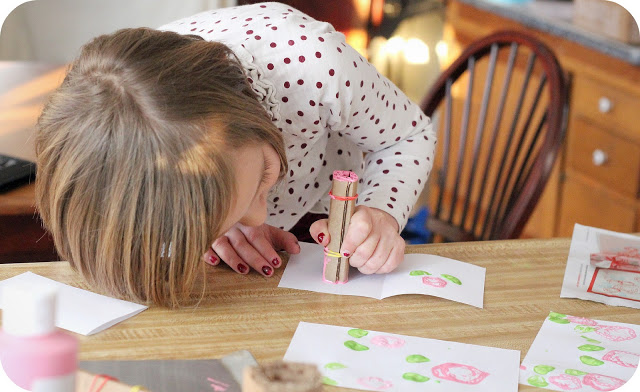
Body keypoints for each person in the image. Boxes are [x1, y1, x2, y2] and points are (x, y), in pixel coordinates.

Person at [34, 2, 436, 307]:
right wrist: (215, 224)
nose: (259, 215)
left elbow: (409, 135)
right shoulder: (129, 133)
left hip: (327, 212)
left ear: (259, 117)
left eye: (264, 173)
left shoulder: (318, 64)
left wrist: (382, 211)